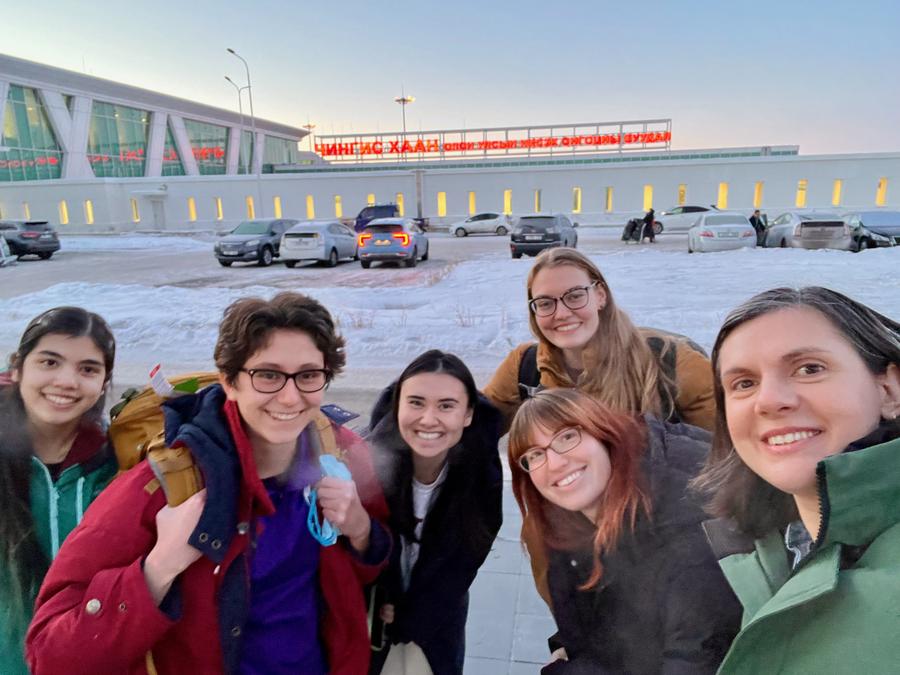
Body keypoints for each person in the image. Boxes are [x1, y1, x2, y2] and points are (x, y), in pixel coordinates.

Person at [26, 292, 391, 675]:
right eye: (267, 375)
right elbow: (51, 656)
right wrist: (158, 568)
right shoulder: (161, 487)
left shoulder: (342, 453)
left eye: (309, 375)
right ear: (230, 382)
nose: (290, 396)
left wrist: (362, 532)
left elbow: (365, 574)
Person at [695, 287, 900, 673]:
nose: (769, 400)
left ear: (889, 389)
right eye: (743, 383)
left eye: (809, 368)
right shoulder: (772, 554)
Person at [508, 388, 741, 674]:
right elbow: (607, 610)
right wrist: (566, 645)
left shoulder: (686, 537)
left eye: (567, 437)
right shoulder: (571, 522)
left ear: (604, 434)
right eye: (534, 455)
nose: (555, 463)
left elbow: (696, 658)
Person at [366, 350, 503, 675]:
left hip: (437, 615)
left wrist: (417, 614)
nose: (428, 419)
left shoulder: (480, 473)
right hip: (370, 619)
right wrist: (383, 597)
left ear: (468, 414)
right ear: (398, 405)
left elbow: (468, 555)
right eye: (416, 403)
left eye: (446, 406)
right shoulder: (367, 463)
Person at [0, 307, 117, 675]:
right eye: (50, 362)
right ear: (17, 369)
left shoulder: (117, 469)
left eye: (88, 369)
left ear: (103, 382)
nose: (67, 381)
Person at [485, 247, 715, 433]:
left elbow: (731, 453)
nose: (562, 313)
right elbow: (468, 427)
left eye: (575, 296)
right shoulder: (525, 369)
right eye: (545, 303)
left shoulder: (669, 360)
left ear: (600, 296)